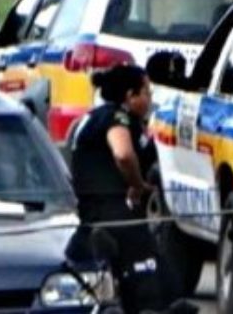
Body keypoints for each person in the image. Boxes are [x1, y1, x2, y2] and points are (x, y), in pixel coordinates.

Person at [69, 64, 166, 313]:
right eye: (146, 92)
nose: (150, 99)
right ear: (130, 96)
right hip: (113, 212)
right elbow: (123, 153)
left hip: (92, 212)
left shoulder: (96, 117)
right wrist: (137, 184)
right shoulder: (115, 117)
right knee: (154, 282)